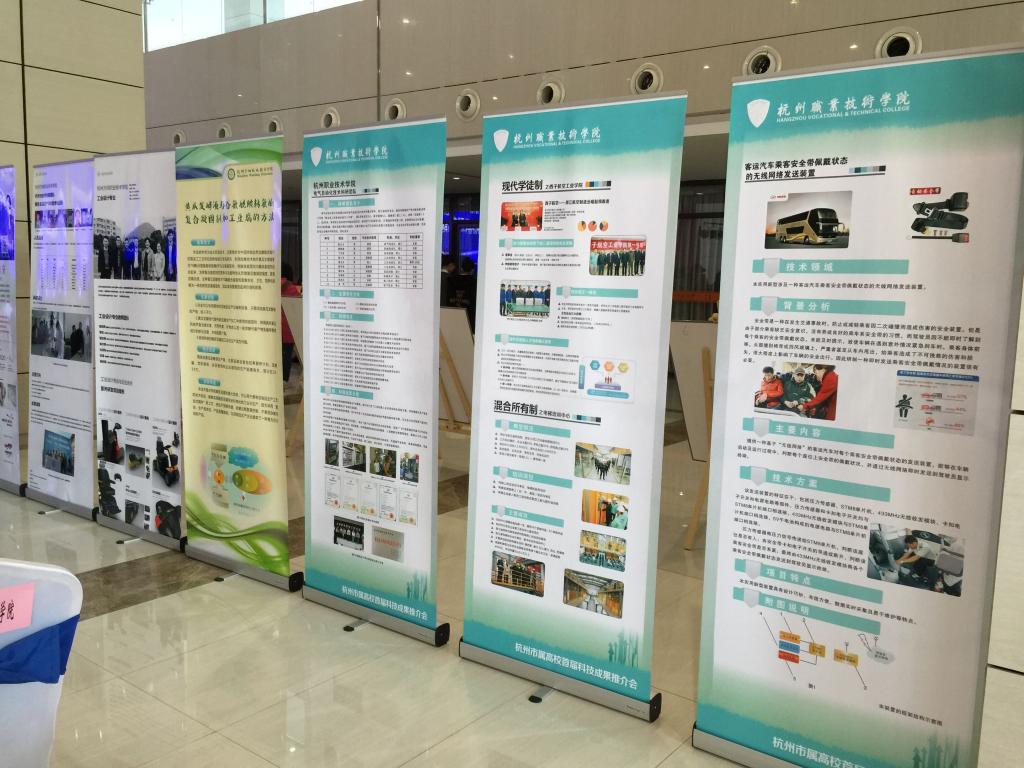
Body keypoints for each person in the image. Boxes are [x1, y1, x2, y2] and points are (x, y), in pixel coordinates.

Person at [280, 263, 302, 381]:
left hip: (273, 329)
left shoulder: (269, 284)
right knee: (286, 356)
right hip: (288, 330)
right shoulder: (292, 289)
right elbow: (299, 308)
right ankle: (284, 380)